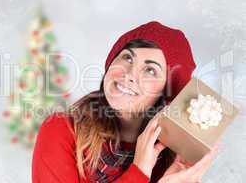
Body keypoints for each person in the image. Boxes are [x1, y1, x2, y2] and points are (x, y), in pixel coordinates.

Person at [32, 21, 220, 183]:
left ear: (166, 92)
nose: (129, 74)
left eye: (150, 70)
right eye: (127, 57)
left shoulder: (174, 158)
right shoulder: (62, 129)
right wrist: (138, 171)